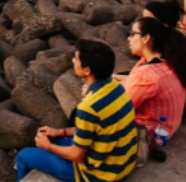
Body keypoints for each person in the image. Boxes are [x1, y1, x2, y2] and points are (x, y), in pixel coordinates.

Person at [16, 39, 137, 182]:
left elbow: (76, 155)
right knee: (53, 138)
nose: (73, 61)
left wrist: (47, 146)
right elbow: (96, 129)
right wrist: (59, 132)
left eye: (76, 58)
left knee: (23, 156)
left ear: (87, 70)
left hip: (100, 175)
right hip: (124, 164)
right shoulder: (117, 88)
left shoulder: (89, 107)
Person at [115, 17, 186, 155]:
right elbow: (131, 83)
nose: (129, 39)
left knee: (87, 98)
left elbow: (119, 110)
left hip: (147, 138)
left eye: (132, 34)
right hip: (164, 130)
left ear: (146, 38)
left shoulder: (146, 75)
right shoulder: (165, 64)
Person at [142, 1, 186, 118]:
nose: (142, 23)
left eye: (147, 20)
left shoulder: (170, 48)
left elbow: (155, 81)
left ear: (164, 24)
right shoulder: (173, 38)